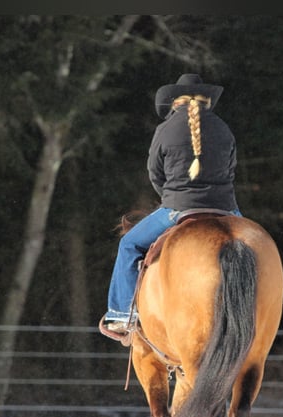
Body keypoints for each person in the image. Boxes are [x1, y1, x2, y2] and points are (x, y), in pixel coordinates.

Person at [99, 73, 241, 341]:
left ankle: (121, 316)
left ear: (175, 101)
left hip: (178, 207)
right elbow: (231, 171)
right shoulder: (223, 128)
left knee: (129, 244)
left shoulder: (165, 129)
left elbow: (155, 173)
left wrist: (172, 197)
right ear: (206, 100)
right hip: (226, 208)